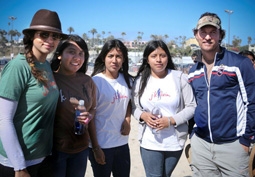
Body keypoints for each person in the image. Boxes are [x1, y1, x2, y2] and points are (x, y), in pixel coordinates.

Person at [0, 9, 66, 177]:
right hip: (18, 163)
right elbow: (3, 119)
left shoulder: (45, 65)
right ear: (32, 36)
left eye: (55, 36)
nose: (50, 40)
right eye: (44, 34)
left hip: (42, 157)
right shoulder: (18, 67)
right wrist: (19, 167)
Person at [188, 12, 255, 177]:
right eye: (203, 32)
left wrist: (246, 139)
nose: (208, 37)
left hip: (233, 146)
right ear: (196, 35)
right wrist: (192, 135)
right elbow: (192, 106)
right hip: (201, 146)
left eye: (213, 32)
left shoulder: (239, 64)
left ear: (220, 35)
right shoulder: (192, 71)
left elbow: (252, 102)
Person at [132, 40, 196, 177]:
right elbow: (133, 107)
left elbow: (192, 106)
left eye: (163, 55)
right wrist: (143, 116)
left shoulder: (180, 78)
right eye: (154, 56)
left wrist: (171, 120)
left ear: (168, 57)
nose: (159, 60)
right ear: (147, 59)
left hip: (175, 141)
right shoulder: (140, 81)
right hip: (149, 140)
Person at [50, 34, 97, 177]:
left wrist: (89, 116)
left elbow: (93, 108)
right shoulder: (50, 79)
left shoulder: (87, 81)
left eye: (81, 54)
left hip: (81, 149)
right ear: (59, 55)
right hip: (55, 151)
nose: (77, 57)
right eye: (71, 52)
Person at [88, 39, 133, 177]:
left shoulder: (128, 81)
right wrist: (95, 148)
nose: (115, 60)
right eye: (110, 56)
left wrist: (127, 119)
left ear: (124, 59)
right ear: (104, 58)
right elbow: (90, 117)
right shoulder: (95, 82)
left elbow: (128, 102)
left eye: (118, 56)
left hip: (122, 143)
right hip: (101, 145)